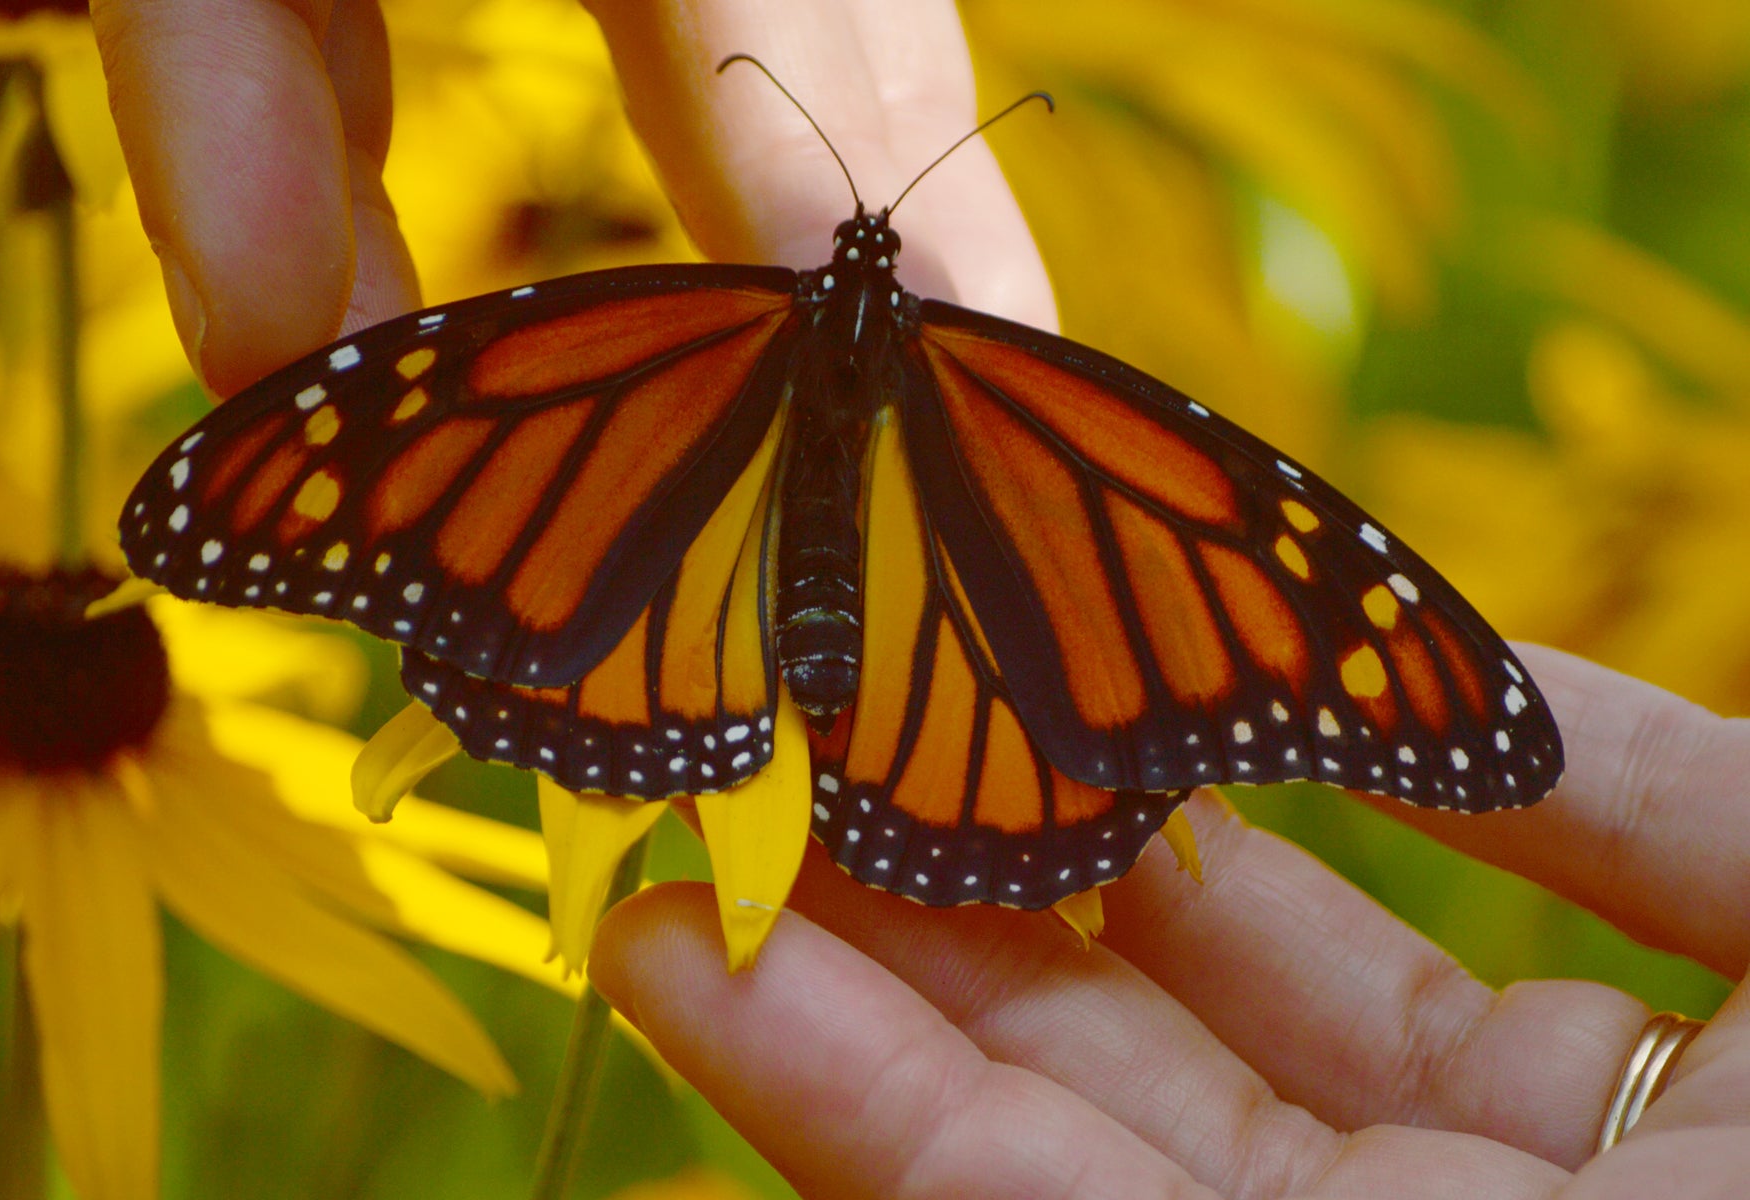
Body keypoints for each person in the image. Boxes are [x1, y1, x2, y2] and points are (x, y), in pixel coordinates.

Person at [91, 0, 1750, 1194]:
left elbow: (1283, 596)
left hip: (669, 632)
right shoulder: (1047, 414)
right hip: (939, 693)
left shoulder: (671, 346)